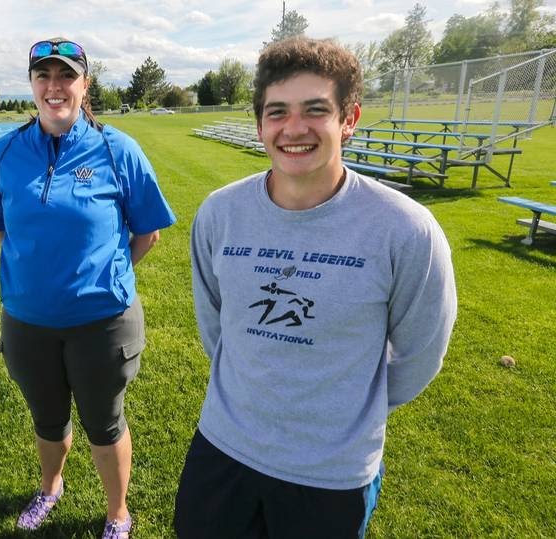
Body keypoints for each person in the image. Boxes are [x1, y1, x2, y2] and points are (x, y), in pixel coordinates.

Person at [175, 37, 457, 538]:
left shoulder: (405, 230)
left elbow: (420, 354)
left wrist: (345, 410)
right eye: (277, 112)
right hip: (223, 445)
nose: (294, 128)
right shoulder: (220, 213)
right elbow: (215, 324)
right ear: (260, 124)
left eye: (315, 110)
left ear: (349, 119)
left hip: (330, 472)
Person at [0, 37, 176, 539]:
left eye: (66, 75)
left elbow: (147, 233)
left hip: (102, 324)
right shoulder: (5, 152)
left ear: (85, 85)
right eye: (43, 75)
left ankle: (117, 513)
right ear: (31, 85)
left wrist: (102, 275)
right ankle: (51, 487)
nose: (54, 86)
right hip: (28, 323)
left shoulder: (117, 149)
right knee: (47, 419)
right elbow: (0, 228)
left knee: (105, 423)